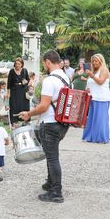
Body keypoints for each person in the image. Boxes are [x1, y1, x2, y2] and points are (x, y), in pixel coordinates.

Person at [18, 50, 70, 203]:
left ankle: (56, 192)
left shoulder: (50, 80)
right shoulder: (66, 78)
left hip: (50, 124)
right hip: (62, 123)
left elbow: (44, 106)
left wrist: (29, 113)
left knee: (53, 158)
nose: (44, 66)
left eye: (44, 64)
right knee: (50, 155)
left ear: (48, 62)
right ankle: (50, 182)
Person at [82, 53, 110, 143]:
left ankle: (101, 138)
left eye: (96, 61)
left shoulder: (104, 69)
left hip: (102, 97)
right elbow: (91, 83)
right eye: (93, 61)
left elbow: (101, 82)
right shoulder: (93, 71)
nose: (94, 63)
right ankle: (91, 137)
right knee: (92, 118)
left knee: (100, 119)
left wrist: (91, 75)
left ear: (101, 61)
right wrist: (87, 88)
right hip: (93, 97)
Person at [7, 57, 30, 125]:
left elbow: (28, 80)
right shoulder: (11, 71)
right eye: (16, 63)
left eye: (19, 64)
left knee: (24, 105)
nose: (17, 65)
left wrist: (25, 82)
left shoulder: (25, 70)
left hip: (23, 90)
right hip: (14, 91)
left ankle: (25, 120)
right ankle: (14, 122)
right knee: (14, 106)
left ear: (22, 64)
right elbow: (9, 83)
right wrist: (8, 92)